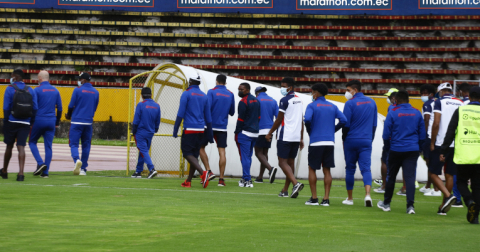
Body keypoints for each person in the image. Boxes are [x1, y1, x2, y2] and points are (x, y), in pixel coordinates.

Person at [377, 90, 426, 214]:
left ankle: (386, 203)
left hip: (396, 148)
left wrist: (388, 146)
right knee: (410, 177)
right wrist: (419, 148)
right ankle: (410, 206)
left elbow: (386, 133)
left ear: (396, 100)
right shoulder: (416, 112)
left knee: (391, 176)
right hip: (412, 149)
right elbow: (422, 134)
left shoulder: (393, 112)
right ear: (409, 100)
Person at [440, 86, 480, 224]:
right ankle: (474, 217)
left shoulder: (461, 110)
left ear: (469, 97)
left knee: (461, 182)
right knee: (477, 186)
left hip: (463, 153)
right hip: (479, 155)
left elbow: (451, 132)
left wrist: (443, 150)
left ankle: (469, 201)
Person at [304, 83, 346, 206]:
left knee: (312, 168)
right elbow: (343, 120)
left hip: (316, 141)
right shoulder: (332, 106)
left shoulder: (312, 105)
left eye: (312, 92)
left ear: (316, 93)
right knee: (326, 170)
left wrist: (309, 130)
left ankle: (314, 198)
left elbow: (307, 119)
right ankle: (326, 199)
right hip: (329, 141)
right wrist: (333, 130)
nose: (312, 95)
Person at [266, 77, 305, 198]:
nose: (281, 88)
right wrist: (301, 138)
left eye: (283, 86)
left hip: (285, 135)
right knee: (290, 163)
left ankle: (296, 183)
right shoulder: (299, 100)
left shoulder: (284, 100)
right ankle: (285, 190)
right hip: (296, 136)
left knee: (282, 162)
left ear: (290, 87)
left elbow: (279, 119)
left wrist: (270, 132)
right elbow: (301, 121)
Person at [173, 74, 213, 188]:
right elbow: (208, 118)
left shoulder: (186, 94)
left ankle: (203, 173)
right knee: (194, 156)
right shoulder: (204, 96)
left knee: (186, 153)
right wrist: (209, 134)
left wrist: (175, 129)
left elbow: (180, 113)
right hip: (201, 130)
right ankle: (188, 181)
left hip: (189, 129)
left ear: (190, 82)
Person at [342, 80, 377, 207]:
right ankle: (368, 195)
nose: (346, 92)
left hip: (351, 139)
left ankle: (350, 198)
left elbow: (346, 124)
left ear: (354, 90)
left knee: (350, 169)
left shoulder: (349, 103)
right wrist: (370, 139)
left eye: (347, 90)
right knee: (366, 169)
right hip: (366, 140)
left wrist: (344, 138)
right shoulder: (372, 102)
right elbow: (374, 124)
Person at [429, 82, 463, 215]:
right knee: (449, 174)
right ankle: (443, 206)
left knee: (433, 172)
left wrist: (432, 142)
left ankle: (448, 196)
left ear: (441, 92)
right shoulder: (461, 102)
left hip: (441, 142)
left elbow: (436, 123)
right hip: (457, 143)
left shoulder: (439, 102)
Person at [1, 69, 38, 181]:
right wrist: (31, 121)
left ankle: (4, 171)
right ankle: (21, 173)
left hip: (12, 120)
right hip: (25, 122)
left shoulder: (9, 89)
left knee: (9, 146)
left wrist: (6, 120)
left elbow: (6, 107)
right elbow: (35, 108)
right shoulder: (30, 90)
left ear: (15, 77)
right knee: (21, 146)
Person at [199, 74, 235, 186]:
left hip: (209, 126)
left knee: (200, 147)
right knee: (222, 152)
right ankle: (221, 179)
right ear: (225, 82)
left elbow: (207, 108)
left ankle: (208, 171)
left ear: (216, 81)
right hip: (222, 127)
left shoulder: (211, 92)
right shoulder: (231, 94)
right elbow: (232, 112)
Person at [29, 71, 62, 178]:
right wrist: (57, 121)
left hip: (39, 119)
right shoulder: (56, 90)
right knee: (48, 147)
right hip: (51, 120)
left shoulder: (37, 90)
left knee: (32, 142)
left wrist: (31, 121)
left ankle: (40, 163)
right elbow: (60, 108)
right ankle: (45, 172)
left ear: (39, 78)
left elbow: (33, 107)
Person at [65, 72, 99, 176]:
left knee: (74, 144)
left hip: (76, 121)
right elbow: (95, 107)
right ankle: (83, 169)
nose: (79, 81)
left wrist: (68, 115)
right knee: (86, 145)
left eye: (80, 79)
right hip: (88, 122)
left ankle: (76, 160)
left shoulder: (77, 90)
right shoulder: (96, 92)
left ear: (83, 80)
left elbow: (71, 106)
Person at [131, 87, 161, 179]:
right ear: (151, 95)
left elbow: (136, 120)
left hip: (141, 132)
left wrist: (133, 131)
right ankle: (138, 171)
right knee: (143, 151)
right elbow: (158, 120)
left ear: (142, 96)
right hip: (150, 132)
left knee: (143, 150)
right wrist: (155, 129)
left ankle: (151, 169)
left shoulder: (141, 105)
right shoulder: (157, 105)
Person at [235, 83, 260, 188]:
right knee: (248, 156)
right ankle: (245, 177)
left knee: (244, 157)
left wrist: (237, 131)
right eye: (239, 89)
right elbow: (258, 117)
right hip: (254, 132)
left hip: (244, 132)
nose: (240, 91)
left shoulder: (243, 102)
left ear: (248, 90)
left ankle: (247, 179)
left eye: (242, 89)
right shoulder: (257, 100)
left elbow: (240, 119)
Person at [450, 82, 472, 206]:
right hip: (476, 144)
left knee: (458, 174)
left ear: (462, 92)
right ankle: (473, 200)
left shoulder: (461, 105)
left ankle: (458, 198)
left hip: (462, 144)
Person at [418, 84, 441, 196]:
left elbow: (426, 119)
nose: (423, 95)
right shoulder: (438, 102)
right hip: (438, 135)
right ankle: (428, 185)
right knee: (431, 161)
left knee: (429, 161)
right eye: (422, 93)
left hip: (429, 135)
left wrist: (424, 134)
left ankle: (436, 188)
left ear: (431, 93)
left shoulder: (427, 104)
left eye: (425, 93)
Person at [374, 88, 398, 193]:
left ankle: (384, 185)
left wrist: (385, 137)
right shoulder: (410, 109)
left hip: (391, 139)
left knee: (384, 161)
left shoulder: (391, 107)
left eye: (389, 97)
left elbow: (389, 124)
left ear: (393, 98)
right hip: (403, 139)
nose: (388, 99)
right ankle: (406, 187)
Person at [254, 86, 279, 184]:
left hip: (259, 129)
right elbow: (277, 117)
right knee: (264, 153)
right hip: (269, 130)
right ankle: (260, 177)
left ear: (257, 93)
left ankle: (270, 169)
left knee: (258, 153)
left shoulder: (256, 100)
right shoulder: (273, 101)